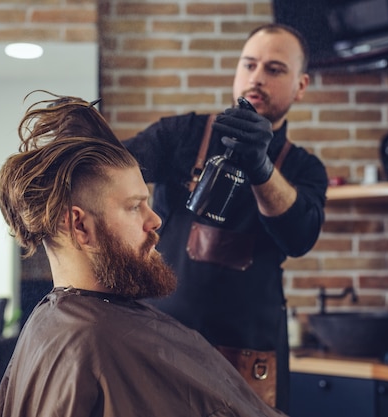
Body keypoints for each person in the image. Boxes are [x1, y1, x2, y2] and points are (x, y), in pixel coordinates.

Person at [0, 92, 288, 417]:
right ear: (80, 226)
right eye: (135, 206)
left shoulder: (57, 326)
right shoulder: (94, 342)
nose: (155, 220)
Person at [123, 23, 328, 411]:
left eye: (274, 69)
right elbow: (112, 170)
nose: (257, 78)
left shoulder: (304, 168)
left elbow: (300, 236)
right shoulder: (181, 134)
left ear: (300, 86)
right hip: (161, 346)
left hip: (247, 361)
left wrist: (261, 169)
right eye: (249, 65)